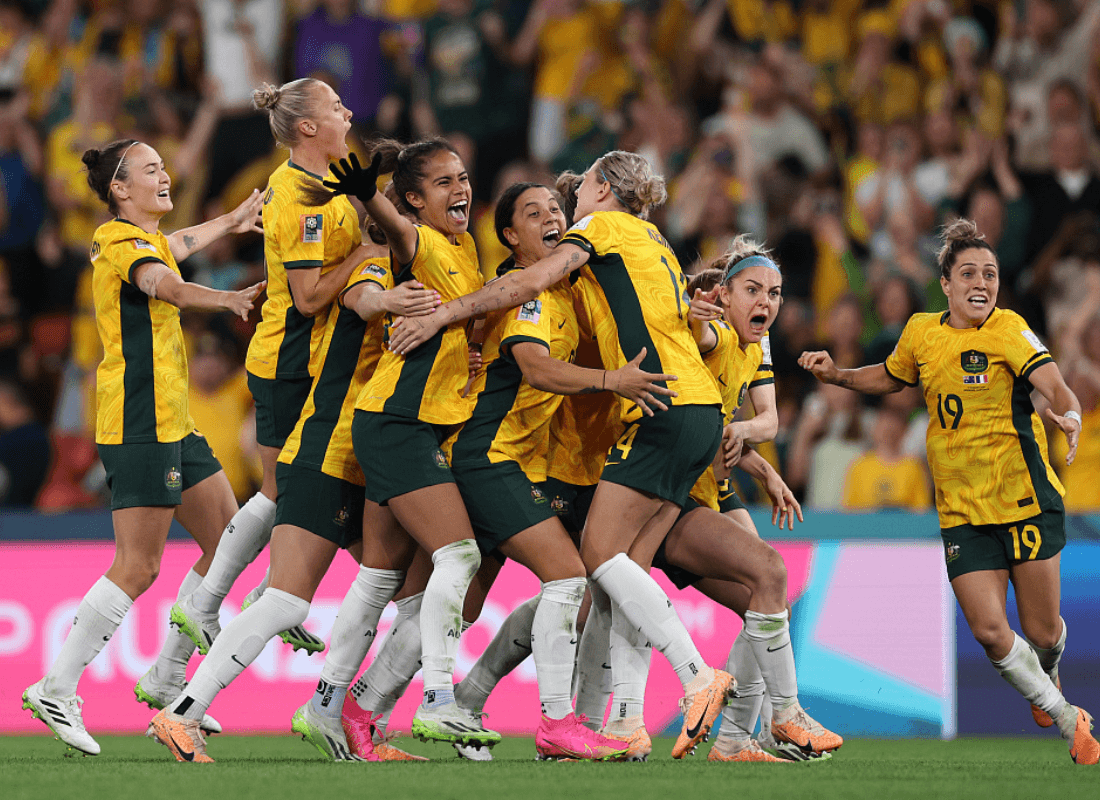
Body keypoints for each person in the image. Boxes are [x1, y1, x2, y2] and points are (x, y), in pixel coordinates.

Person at [348, 149, 735, 758]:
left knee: (483, 596)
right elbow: (533, 362)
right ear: (510, 235)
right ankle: (546, 718)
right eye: (536, 212)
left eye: (559, 205)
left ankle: (371, 708)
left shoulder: (578, 286)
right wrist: (609, 380)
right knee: (569, 576)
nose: (556, 216)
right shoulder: (536, 294)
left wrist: (697, 316)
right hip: (497, 458)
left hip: (541, 463)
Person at [799, 219, 1100, 766]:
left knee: (1042, 630)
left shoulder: (1010, 328)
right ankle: (1065, 716)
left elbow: (1054, 384)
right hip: (962, 511)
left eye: (990, 273)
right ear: (946, 283)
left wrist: (1071, 414)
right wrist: (839, 375)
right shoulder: (920, 333)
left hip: (1024, 501)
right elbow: (892, 376)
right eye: (969, 273)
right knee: (990, 632)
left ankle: (1047, 667)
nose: (981, 282)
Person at [149, 212, 441, 764]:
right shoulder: (371, 268)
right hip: (326, 453)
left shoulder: (410, 271)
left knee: (410, 598)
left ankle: (353, 722)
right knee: (285, 600)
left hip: (368, 464)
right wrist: (394, 303)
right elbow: (364, 299)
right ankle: (182, 713)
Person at [21, 137, 264, 756]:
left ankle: (164, 676)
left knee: (228, 539)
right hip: (137, 419)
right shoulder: (118, 241)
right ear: (120, 190)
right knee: (139, 565)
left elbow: (175, 247)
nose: (165, 173)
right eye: (151, 168)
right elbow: (169, 285)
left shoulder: (144, 238)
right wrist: (228, 298)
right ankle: (56, 686)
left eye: (164, 164)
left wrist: (231, 221)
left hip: (172, 419)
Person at [171, 78, 370, 659]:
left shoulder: (327, 182)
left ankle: (258, 600)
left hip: (317, 363)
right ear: (307, 127)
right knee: (285, 489)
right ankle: (210, 602)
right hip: (289, 360)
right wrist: (362, 254)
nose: (348, 110)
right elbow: (308, 297)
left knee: (297, 490)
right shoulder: (299, 196)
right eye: (336, 107)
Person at [321, 137, 501, 748]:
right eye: (444, 183)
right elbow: (395, 229)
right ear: (418, 200)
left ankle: (331, 708)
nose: (461, 190)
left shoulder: (468, 247)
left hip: (406, 422)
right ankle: (439, 698)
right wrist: (368, 192)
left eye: (464, 177)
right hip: (399, 424)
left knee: (379, 580)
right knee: (461, 557)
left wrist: (468, 345)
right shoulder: (419, 241)